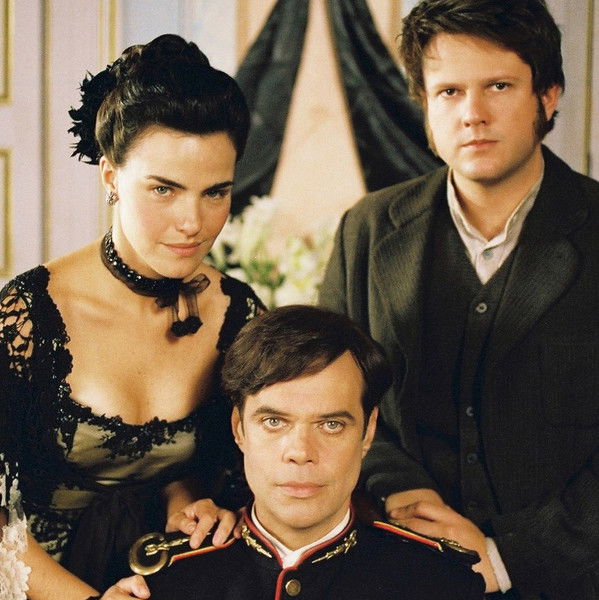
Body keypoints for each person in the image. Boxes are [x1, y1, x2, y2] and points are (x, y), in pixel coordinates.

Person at [319, 1, 599, 598]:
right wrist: (399, 487)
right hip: (400, 567)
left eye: (499, 86)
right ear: (424, 104)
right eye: (449, 92)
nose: (473, 114)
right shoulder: (367, 229)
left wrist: (505, 555)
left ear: (547, 97)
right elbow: (330, 400)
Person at [0, 34, 264, 600]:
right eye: (164, 189)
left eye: (215, 192)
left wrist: (188, 500)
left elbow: (237, 471)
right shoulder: (26, 318)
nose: (193, 222)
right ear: (111, 177)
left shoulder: (239, 314)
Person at [134, 305, 485, 599]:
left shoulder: (441, 583)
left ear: (368, 431)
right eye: (274, 422)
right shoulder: (166, 582)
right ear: (239, 429)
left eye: (330, 425)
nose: (301, 452)